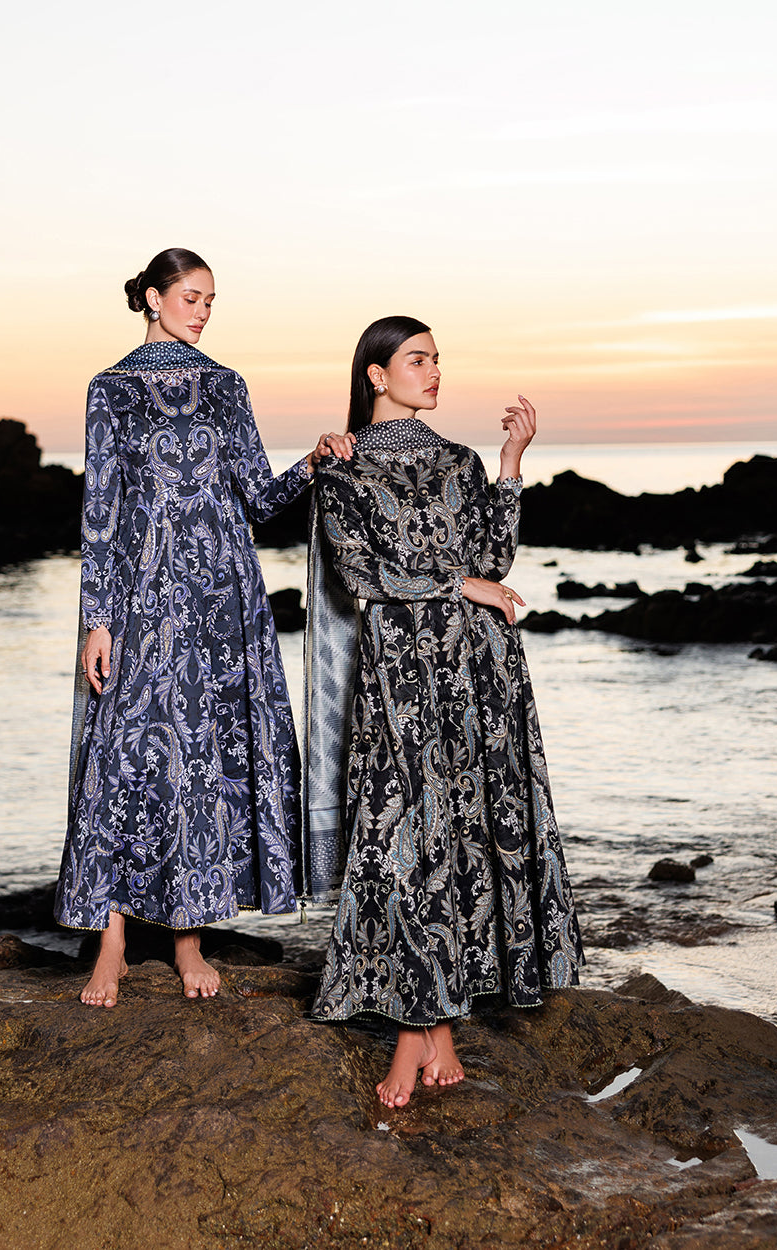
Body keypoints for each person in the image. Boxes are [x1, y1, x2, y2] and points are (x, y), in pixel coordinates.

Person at [55, 247, 351, 1007]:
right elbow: (101, 513)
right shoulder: (111, 389)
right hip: (144, 599)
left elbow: (259, 496)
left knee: (203, 761)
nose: (203, 312)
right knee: (122, 759)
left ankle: (189, 941)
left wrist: (314, 462)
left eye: (211, 300)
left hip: (224, 601)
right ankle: (112, 943)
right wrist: (98, 620)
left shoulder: (226, 385)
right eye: (191, 297)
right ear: (154, 298)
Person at [302, 316, 583, 1108]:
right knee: (401, 836)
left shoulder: (461, 460)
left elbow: (495, 561)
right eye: (417, 359)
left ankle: (436, 1025)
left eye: (437, 360)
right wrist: (459, 584)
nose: (433, 372)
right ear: (376, 374)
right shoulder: (342, 466)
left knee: (463, 834)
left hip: (481, 667)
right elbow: (361, 574)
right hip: (400, 673)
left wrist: (511, 461)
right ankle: (417, 1027)